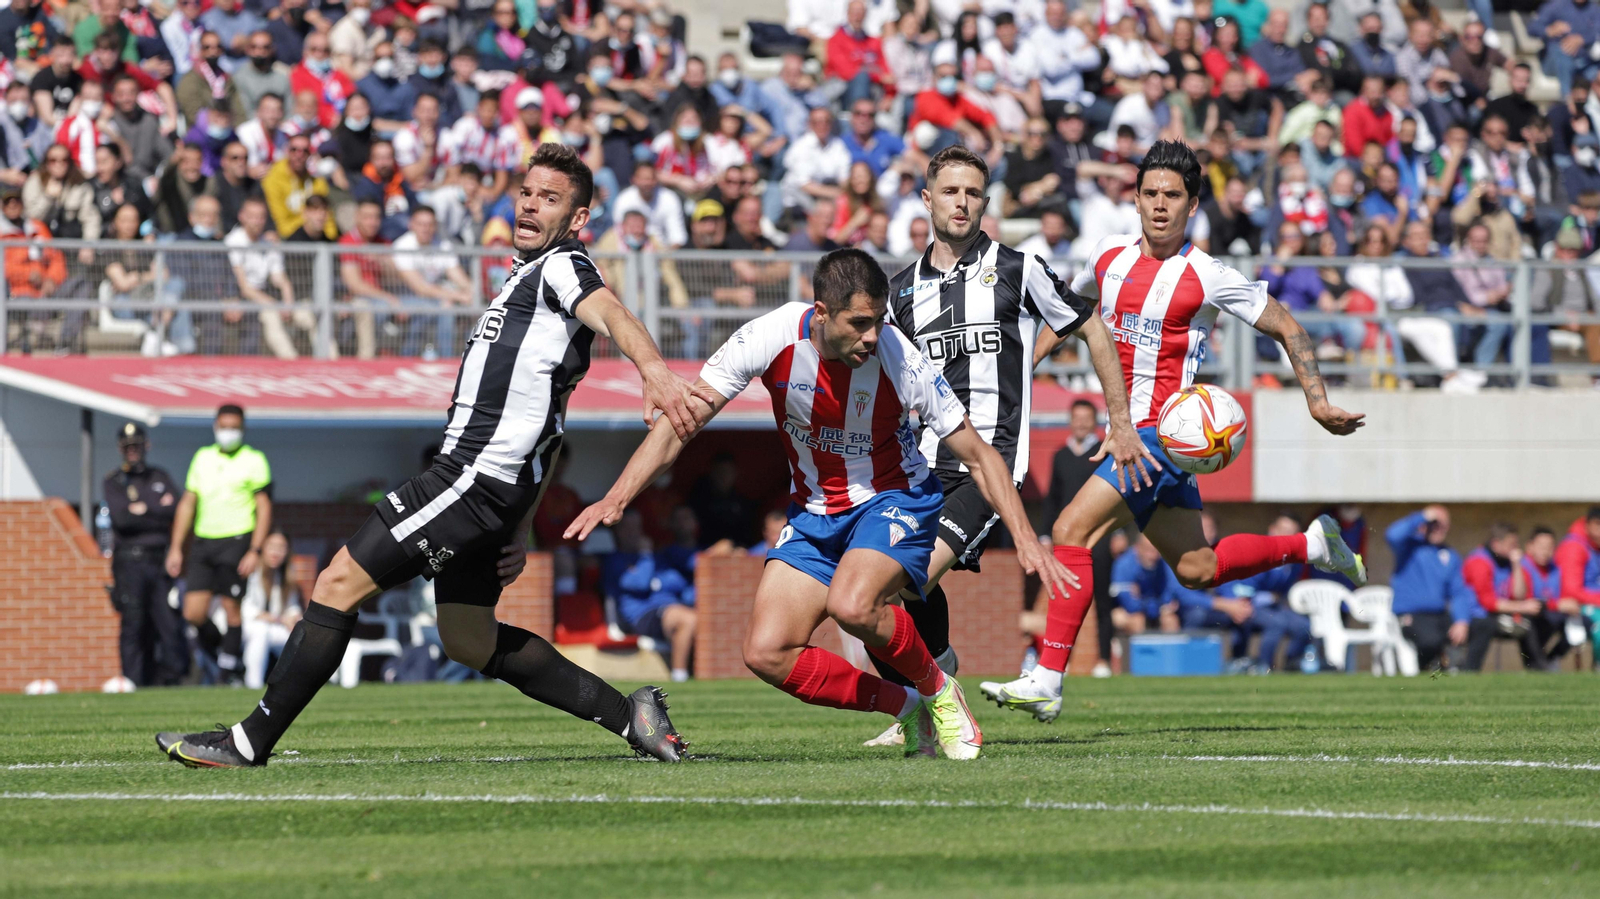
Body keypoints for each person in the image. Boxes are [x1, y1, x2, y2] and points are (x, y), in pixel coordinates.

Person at [156, 145, 699, 768]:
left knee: (336, 582)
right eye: (527, 191)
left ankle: (249, 740)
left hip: (468, 478)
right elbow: (547, 432)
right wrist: (517, 524)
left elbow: (611, 310)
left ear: (578, 219)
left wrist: (653, 371)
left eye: (550, 198)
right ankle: (632, 717)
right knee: (469, 641)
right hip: (497, 488)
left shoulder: (563, 267)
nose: (530, 203)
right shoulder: (525, 279)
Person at [566, 247, 1074, 760]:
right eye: (859, 323)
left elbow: (981, 455)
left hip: (894, 499)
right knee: (766, 653)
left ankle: (940, 689)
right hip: (814, 514)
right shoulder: (772, 335)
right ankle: (907, 705)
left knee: (853, 606)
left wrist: (1027, 539)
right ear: (822, 312)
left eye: (878, 321)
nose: (872, 336)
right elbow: (684, 421)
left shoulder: (901, 358)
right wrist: (617, 496)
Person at [981, 140, 1367, 720]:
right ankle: (1314, 545)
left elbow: (1287, 325)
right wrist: (1019, 375)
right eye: (1152, 194)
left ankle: (1047, 677)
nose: (1160, 205)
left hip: (1162, 435)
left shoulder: (1207, 275)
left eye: (1174, 196)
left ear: (1191, 208)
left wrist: (1317, 402)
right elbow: (1070, 319)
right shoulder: (1106, 258)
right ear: (1134, 199)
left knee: (1069, 528)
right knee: (1198, 570)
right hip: (1135, 436)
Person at [864, 146, 1138, 746]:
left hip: (988, 468)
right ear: (927, 199)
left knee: (898, 585)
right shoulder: (900, 292)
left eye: (973, 193)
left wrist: (1120, 422)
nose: (962, 202)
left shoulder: (1020, 268)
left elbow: (1089, 325)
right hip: (916, 469)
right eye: (951, 191)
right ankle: (934, 682)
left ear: (986, 203)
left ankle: (935, 692)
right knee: (865, 598)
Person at [165, 404, 273, 685]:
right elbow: (188, 503)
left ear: (243, 428)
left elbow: (264, 507)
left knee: (231, 607)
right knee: (193, 612)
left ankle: (226, 673)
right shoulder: (202, 458)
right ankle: (225, 655)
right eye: (224, 426)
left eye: (234, 427)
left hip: (237, 539)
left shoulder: (254, 459)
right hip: (204, 542)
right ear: (215, 427)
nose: (229, 432)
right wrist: (176, 546)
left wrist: (255, 549)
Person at [104, 422, 187, 687]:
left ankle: (171, 682)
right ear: (120, 449)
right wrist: (155, 510)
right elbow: (123, 520)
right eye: (127, 447)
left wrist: (143, 509)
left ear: (145, 445)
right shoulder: (114, 481)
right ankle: (132, 682)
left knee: (168, 623)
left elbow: (174, 510)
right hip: (130, 563)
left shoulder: (160, 476)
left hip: (160, 561)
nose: (132, 451)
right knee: (134, 624)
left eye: (136, 446)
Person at [1048, 400, 1120, 675]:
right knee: (1064, 600)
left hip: (1099, 537)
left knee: (1102, 601)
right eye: (1076, 417)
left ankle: (1103, 660)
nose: (1080, 423)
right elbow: (1052, 501)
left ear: (1094, 421)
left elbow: (1119, 493)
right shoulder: (1060, 456)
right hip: (1067, 540)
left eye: (1086, 418)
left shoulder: (1104, 453)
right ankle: (1058, 663)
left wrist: (1120, 532)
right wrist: (1045, 534)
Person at [604, 509, 697, 683]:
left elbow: (677, 581)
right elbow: (640, 583)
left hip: (670, 608)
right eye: (627, 528)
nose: (634, 533)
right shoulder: (614, 560)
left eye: (637, 528)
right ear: (618, 532)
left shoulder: (657, 558)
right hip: (642, 616)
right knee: (686, 619)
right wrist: (646, 556)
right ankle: (680, 677)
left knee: (700, 617)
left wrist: (656, 580)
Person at [1387, 504, 1473, 671]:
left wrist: (1462, 620)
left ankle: (1454, 671)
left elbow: (1458, 592)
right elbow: (1392, 535)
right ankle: (1428, 670)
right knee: (1430, 640)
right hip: (1411, 616)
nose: (1438, 529)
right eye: (1434, 523)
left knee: (1473, 629)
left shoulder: (1450, 555)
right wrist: (1422, 516)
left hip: (1438, 615)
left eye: (1442, 525)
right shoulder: (1409, 547)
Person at [392, 205, 473, 357]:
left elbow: (458, 275)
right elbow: (419, 288)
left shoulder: (443, 245)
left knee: (459, 308)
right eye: (421, 224)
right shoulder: (402, 246)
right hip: (402, 298)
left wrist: (472, 292)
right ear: (412, 225)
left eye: (429, 224)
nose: (426, 229)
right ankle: (423, 358)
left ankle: (458, 359)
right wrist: (456, 296)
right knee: (441, 309)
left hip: (434, 298)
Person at [240, 529, 302, 689]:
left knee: (296, 636)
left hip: (272, 628)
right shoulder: (251, 570)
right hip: (244, 629)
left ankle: (295, 686)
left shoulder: (285, 575)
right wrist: (279, 619)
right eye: (272, 546)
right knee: (261, 630)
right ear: (262, 547)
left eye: (282, 547)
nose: (276, 552)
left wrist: (295, 618)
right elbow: (246, 609)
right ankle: (253, 685)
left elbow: (292, 607)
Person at [1110, 534, 1180, 636]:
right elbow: (1130, 604)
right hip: (1127, 612)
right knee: (1137, 620)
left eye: (1157, 550)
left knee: (1171, 621)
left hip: (1155, 610)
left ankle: (1168, 652)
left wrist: (1156, 606)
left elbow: (1169, 595)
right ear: (1137, 548)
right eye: (1148, 550)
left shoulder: (1163, 564)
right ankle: (1140, 652)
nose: (1153, 556)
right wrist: (1155, 606)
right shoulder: (1123, 565)